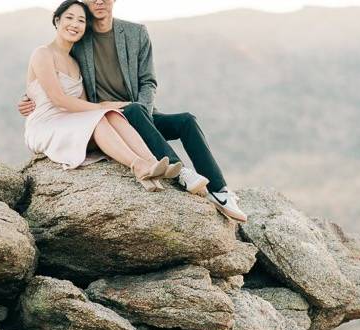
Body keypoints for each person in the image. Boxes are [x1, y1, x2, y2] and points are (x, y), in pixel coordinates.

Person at [19, 0, 247, 222]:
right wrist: (28, 98)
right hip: (108, 115)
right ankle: (182, 173)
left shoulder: (136, 33)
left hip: (140, 112)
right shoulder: (79, 39)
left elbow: (148, 81)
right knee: (133, 111)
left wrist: (144, 113)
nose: (99, 1)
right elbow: (52, 80)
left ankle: (221, 191)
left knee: (186, 121)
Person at [24, 0, 180, 192]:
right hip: (46, 124)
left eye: (81, 20)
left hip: (68, 121)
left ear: (84, 27)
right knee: (99, 118)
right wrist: (101, 106)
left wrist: (109, 108)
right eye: (69, 18)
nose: (75, 24)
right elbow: (58, 99)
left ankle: (152, 162)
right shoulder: (43, 53)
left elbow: (81, 103)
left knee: (112, 115)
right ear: (57, 20)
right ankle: (138, 165)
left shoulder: (74, 62)